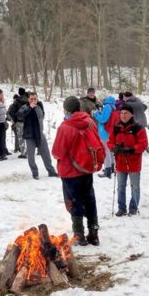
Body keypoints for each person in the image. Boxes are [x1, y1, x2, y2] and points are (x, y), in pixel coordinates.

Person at [52, 96, 101, 246]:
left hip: (70, 172)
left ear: (66, 110)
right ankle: (94, 232)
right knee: (89, 199)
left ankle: (79, 235)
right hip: (86, 168)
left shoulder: (65, 127)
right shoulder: (90, 122)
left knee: (75, 201)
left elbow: (57, 152)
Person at [108, 104, 148, 216]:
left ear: (131, 114)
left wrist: (131, 149)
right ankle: (121, 208)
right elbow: (110, 142)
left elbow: (143, 144)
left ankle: (133, 208)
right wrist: (113, 147)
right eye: (121, 113)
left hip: (134, 162)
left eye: (126, 113)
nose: (123, 115)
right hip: (120, 162)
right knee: (120, 186)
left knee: (134, 187)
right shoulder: (116, 128)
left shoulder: (138, 128)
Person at [17, 92, 58, 179]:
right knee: (31, 157)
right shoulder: (24, 107)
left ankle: (51, 171)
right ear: (28, 99)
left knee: (46, 154)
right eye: (31, 99)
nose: (33, 100)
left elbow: (42, 116)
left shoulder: (39, 106)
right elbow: (19, 116)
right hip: (30, 135)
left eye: (35, 99)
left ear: (37, 99)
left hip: (39, 133)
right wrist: (29, 108)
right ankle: (35, 173)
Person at [94, 96, 118, 179]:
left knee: (105, 151)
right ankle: (112, 168)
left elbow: (103, 119)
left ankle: (107, 170)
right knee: (110, 151)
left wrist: (96, 113)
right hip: (110, 132)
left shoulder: (107, 107)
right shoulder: (113, 106)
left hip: (105, 132)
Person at [7, 87, 28, 158]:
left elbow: (10, 112)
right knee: (28, 136)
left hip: (19, 122)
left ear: (19, 93)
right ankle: (29, 151)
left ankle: (23, 152)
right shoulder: (29, 99)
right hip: (28, 121)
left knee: (21, 137)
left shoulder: (16, 101)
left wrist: (15, 120)